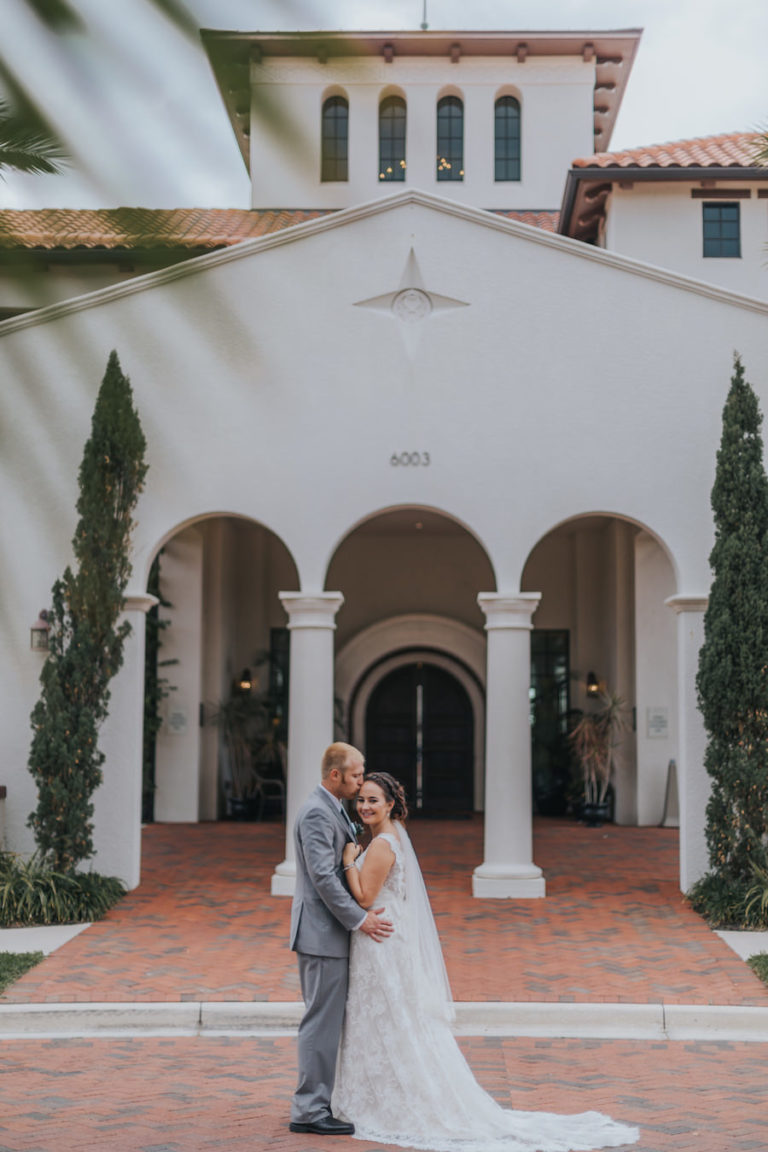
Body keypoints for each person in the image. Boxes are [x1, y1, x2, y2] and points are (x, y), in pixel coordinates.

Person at [332, 771, 640, 1152]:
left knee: (386, 1017)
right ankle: (383, 1092)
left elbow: (363, 898)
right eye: (361, 799)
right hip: (387, 936)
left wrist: (348, 861)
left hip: (380, 939)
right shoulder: (391, 838)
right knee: (391, 1020)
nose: (364, 806)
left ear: (390, 804)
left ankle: (383, 1100)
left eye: (373, 800)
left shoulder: (380, 845)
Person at [289, 743, 394, 1137]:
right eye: (355, 775)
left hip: (329, 934)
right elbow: (323, 879)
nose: (360, 780)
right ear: (335, 776)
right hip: (321, 935)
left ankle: (318, 1101)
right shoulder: (317, 812)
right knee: (320, 1022)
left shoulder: (334, 808)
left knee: (328, 1021)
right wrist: (360, 920)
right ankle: (309, 1110)